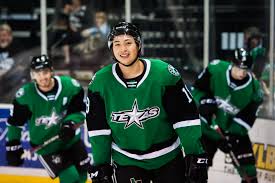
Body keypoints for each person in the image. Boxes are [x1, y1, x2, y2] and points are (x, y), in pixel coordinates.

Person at [86, 21, 208, 183]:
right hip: (126, 160)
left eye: (128, 43)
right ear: (111, 49)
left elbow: (185, 120)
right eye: (117, 44)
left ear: (138, 45)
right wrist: (101, 166)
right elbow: (98, 130)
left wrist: (195, 154)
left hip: (168, 158)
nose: (123, 49)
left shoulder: (163, 74)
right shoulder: (100, 83)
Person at [5, 55, 90, 183]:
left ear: (51, 70)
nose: (42, 77)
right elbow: (15, 123)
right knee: (71, 178)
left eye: (45, 72)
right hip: (47, 147)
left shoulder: (70, 86)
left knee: (83, 175)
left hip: (71, 140)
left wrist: (70, 123)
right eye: (37, 73)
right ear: (32, 75)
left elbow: (79, 110)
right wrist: (13, 145)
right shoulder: (25, 96)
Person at [191, 48, 264, 183]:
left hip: (233, 132)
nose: (242, 72)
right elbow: (196, 89)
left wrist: (232, 135)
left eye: (246, 69)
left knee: (249, 171)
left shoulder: (255, 90)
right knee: (197, 170)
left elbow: (248, 118)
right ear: (232, 64)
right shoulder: (215, 69)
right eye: (238, 68)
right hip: (207, 130)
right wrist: (204, 102)